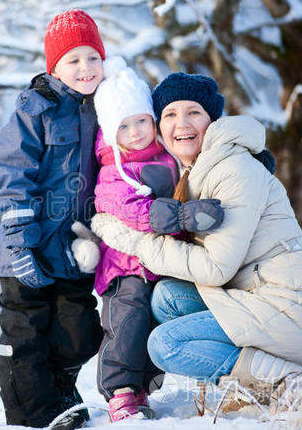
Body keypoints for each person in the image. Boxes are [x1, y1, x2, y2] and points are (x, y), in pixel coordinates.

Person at [88, 72, 302, 411]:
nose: (182, 123)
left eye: (194, 112)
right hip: (258, 296)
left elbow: (215, 267)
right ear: (159, 128)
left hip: (293, 309)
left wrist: (136, 244)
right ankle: (254, 379)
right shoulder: (195, 170)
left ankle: (284, 383)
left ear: (211, 120)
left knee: (164, 345)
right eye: (170, 115)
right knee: (166, 299)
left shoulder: (232, 168)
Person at [75, 57, 224, 421]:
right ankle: (120, 390)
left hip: (159, 263)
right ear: (112, 131)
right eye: (124, 126)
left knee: (153, 322)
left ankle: (142, 386)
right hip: (123, 266)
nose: (136, 132)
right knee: (127, 323)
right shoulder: (113, 164)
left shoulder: (168, 157)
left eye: (142, 121)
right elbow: (114, 202)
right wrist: (155, 216)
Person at [0, 9, 106, 429]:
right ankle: (33, 415)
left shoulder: (103, 108)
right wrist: (21, 241)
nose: (85, 68)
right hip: (29, 245)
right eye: (73, 60)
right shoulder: (35, 108)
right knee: (26, 333)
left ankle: (58, 390)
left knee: (79, 330)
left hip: (73, 249)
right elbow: (11, 170)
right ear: (54, 66)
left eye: (93, 58)